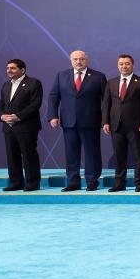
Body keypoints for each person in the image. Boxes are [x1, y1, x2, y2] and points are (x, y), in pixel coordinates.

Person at [47, 50, 107, 191]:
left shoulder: (98, 76)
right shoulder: (61, 75)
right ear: (71, 60)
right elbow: (53, 97)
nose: (78, 62)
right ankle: (73, 182)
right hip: (69, 121)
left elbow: (106, 101)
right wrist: (53, 116)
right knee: (71, 153)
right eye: (75, 59)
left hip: (91, 121)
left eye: (81, 59)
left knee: (92, 153)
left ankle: (92, 181)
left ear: (87, 60)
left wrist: (105, 120)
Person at [101, 54, 140, 192]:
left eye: (127, 63)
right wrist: (105, 122)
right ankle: (119, 184)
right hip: (116, 125)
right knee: (119, 157)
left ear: (133, 65)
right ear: (118, 66)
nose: (124, 66)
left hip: (136, 126)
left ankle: (139, 183)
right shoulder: (111, 82)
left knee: (138, 156)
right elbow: (106, 104)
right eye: (121, 64)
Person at [0, 59, 43, 192]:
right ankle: (16, 183)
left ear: (22, 70)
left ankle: (32, 183)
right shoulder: (6, 85)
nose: (9, 71)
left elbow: (35, 104)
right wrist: (2, 116)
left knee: (28, 155)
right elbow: (1, 105)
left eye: (13, 68)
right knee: (12, 156)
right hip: (8, 127)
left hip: (26, 126)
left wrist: (17, 116)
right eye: (8, 68)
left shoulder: (33, 83)